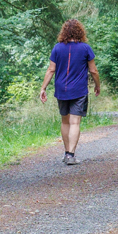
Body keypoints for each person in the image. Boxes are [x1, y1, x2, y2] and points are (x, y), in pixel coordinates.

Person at [39, 19, 100, 165]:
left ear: (64, 32)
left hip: (61, 89)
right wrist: (97, 85)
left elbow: (51, 70)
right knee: (75, 122)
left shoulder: (57, 48)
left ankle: (66, 153)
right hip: (79, 90)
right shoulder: (85, 48)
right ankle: (71, 155)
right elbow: (93, 70)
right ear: (80, 31)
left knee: (65, 121)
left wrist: (43, 88)